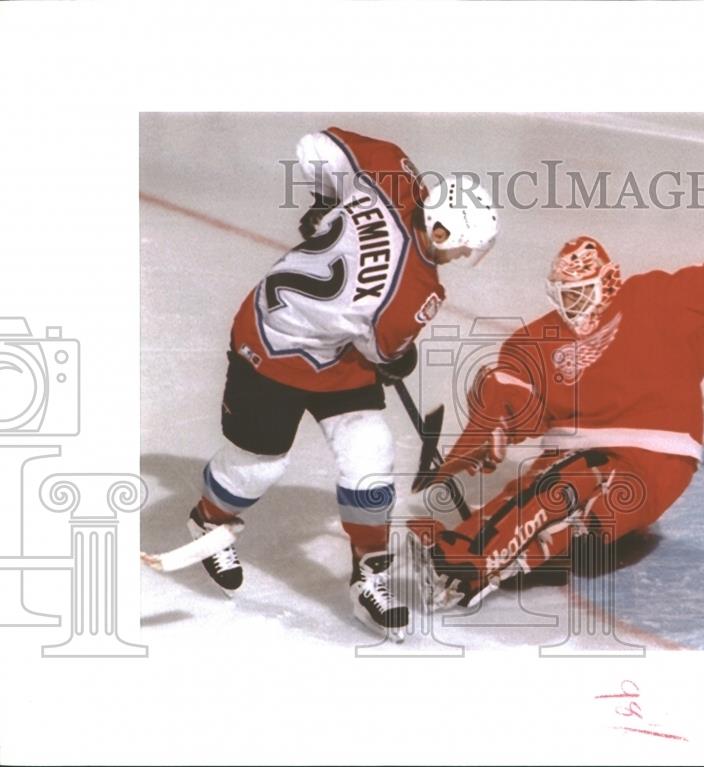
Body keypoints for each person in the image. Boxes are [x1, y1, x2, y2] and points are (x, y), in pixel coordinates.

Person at [409, 163, 704, 610]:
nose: (572, 305)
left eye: (580, 293)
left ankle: (468, 557)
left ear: (608, 281)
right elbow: (513, 396)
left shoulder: (658, 297)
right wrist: (494, 428)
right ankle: (484, 558)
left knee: (574, 490)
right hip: (577, 457)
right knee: (561, 499)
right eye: (563, 295)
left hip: (657, 457)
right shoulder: (535, 341)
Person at [187, 126, 498, 639]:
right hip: (273, 346)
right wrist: (400, 360)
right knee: (259, 465)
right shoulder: (413, 293)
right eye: (462, 248)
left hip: (333, 352)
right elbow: (385, 352)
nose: (462, 258)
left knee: (370, 452)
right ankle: (207, 519)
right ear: (440, 232)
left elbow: (315, 145)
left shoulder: (394, 174)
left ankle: (368, 574)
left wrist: (327, 200)